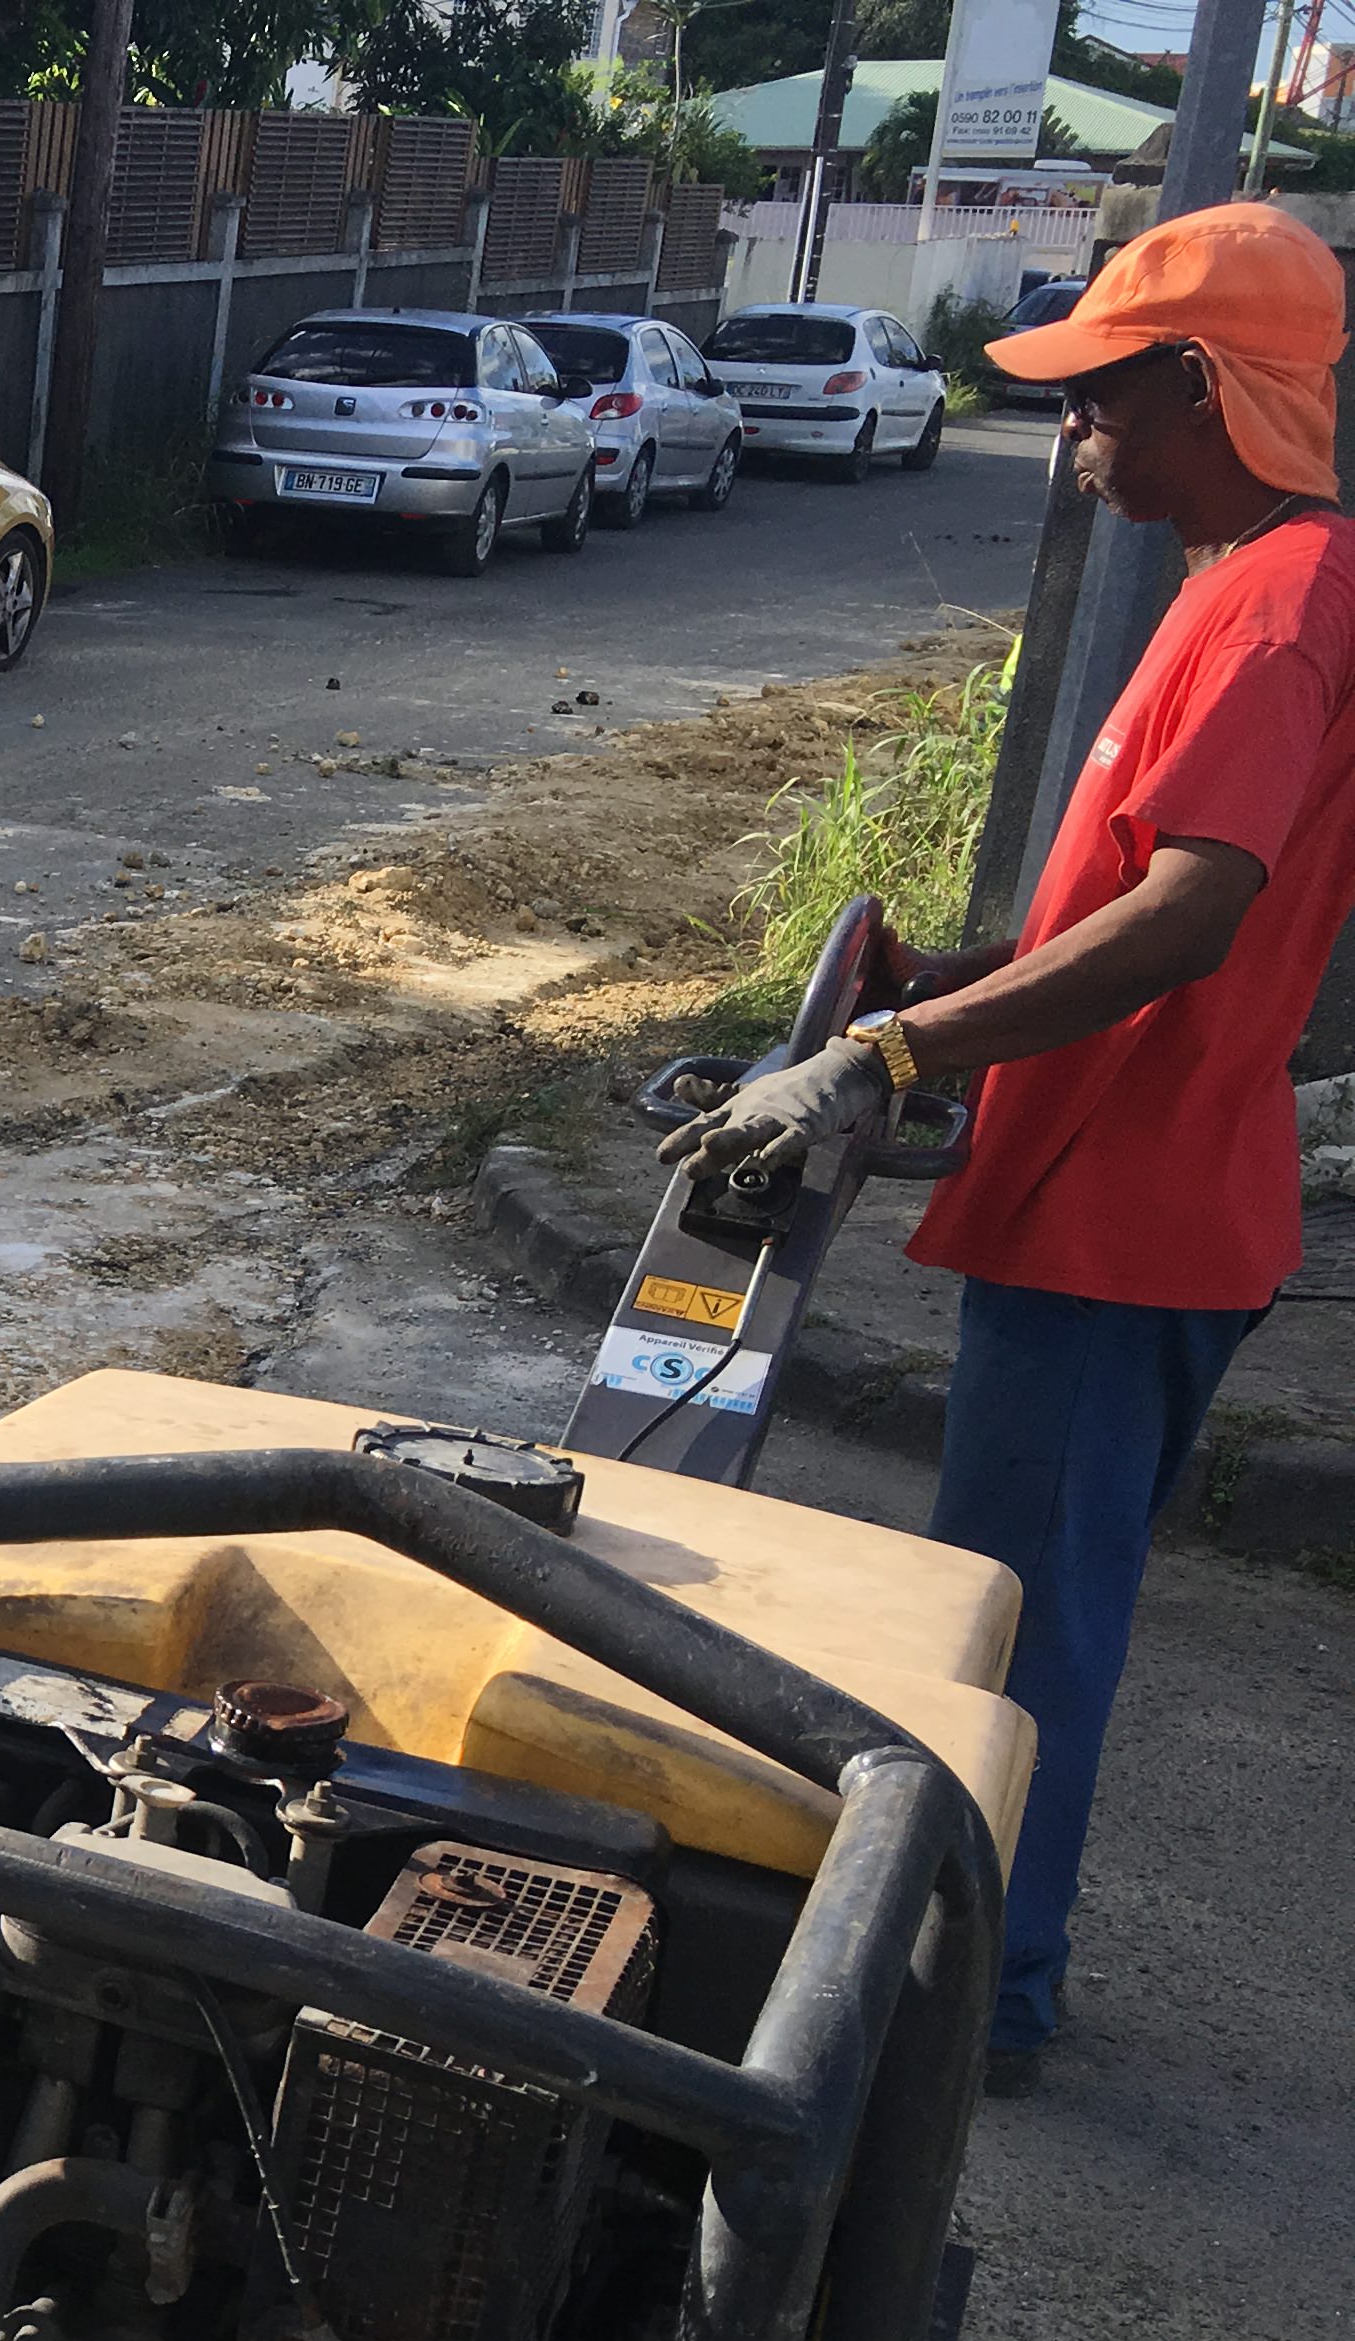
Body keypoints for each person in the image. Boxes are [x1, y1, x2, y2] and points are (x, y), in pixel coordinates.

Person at [658, 200, 1355, 2100]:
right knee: (1018, 1613)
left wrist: (893, 1049)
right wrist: (952, 981)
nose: (1073, 434)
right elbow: (1121, 901)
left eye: (1098, 397)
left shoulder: (1280, 614)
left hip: (1126, 1217)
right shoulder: (1242, 580)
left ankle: (971, 1994)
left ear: (1200, 386)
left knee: (1012, 1635)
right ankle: (980, 1959)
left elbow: (1196, 915)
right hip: (1129, 1195)